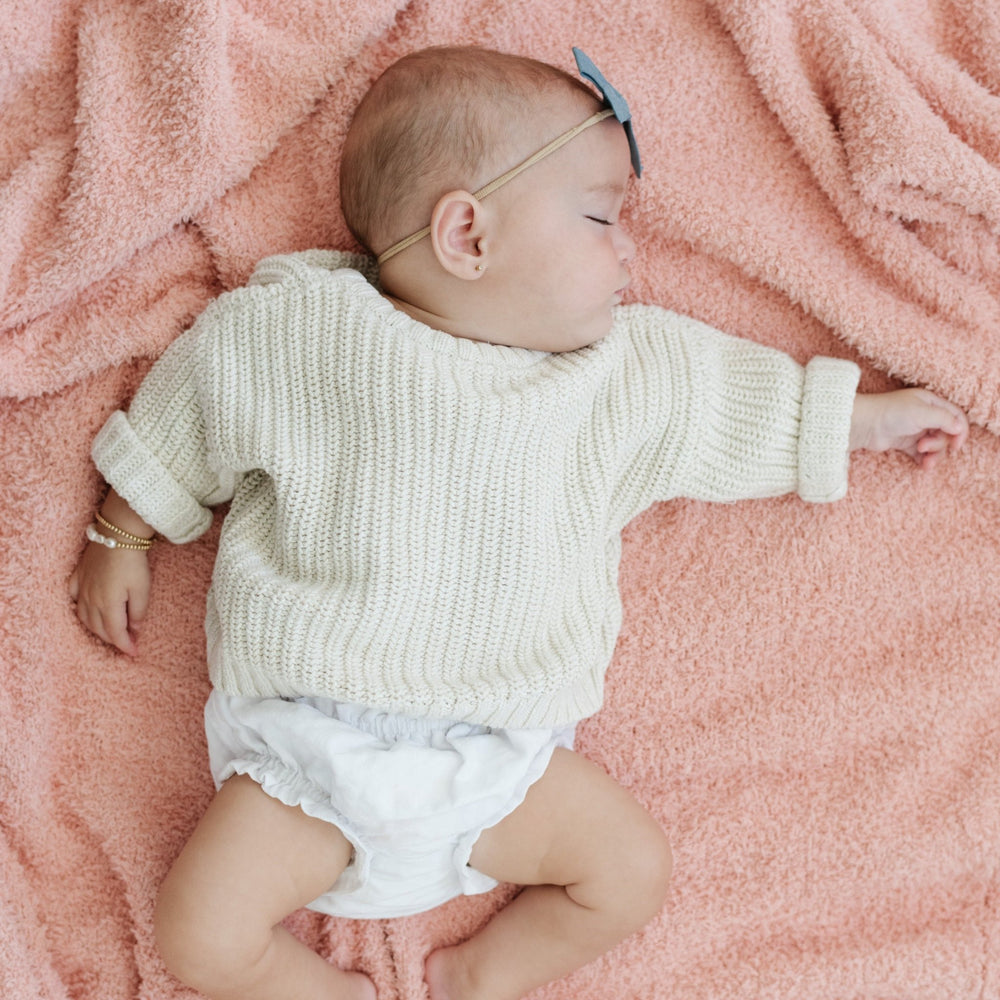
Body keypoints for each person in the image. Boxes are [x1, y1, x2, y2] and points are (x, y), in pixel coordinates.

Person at [69, 45, 969, 1000]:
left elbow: (735, 408)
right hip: (308, 751)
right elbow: (193, 407)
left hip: (500, 761)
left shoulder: (613, 379)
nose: (629, 250)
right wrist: (123, 530)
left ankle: (482, 974)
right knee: (198, 933)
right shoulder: (306, 336)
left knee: (631, 870)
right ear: (467, 233)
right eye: (601, 217)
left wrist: (865, 420)